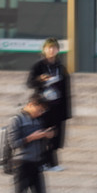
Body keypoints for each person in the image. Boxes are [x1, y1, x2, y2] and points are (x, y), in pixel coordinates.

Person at [8, 94, 61, 193]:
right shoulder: (16, 120)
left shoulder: (38, 120)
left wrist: (47, 135)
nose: (40, 113)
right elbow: (13, 143)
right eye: (39, 109)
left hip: (36, 163)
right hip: (21, 163)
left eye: (42, 110)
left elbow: (40, 139)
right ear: (31, 104)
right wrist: (32, 137)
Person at [26, 38, 72, 171]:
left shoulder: (60, 68)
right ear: (44, 50)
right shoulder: (39, 66)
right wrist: (40, 79)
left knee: (55, 136)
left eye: (54, 48)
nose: (51, 51)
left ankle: (53, 163)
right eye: (49, 48)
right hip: (43, 106)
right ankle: (42, 162)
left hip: (57, 107)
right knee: (43, 134)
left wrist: (66, 112)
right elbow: (30, 83)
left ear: (58, 50)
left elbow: (66, 90)